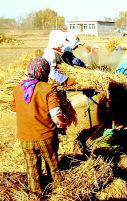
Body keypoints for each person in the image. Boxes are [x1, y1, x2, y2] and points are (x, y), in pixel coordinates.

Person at [10, 57, 68, 200]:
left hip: (25, 138)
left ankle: (35, 196)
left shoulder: (18, 89)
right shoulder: (48, 88)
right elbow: (56, 113)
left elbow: (13, 111)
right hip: (45, 137)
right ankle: (58, 193)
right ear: (45, 72)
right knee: (53, 166)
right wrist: (62, 124)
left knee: (32, 169)